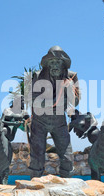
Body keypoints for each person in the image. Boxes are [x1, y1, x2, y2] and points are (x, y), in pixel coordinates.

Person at [28, 46, 80, 178]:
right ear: (47, 65)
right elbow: (33, 100)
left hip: (59, 122)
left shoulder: (71, 76)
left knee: (67, 157)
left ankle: (67, 189)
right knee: (37, 157)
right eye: (52, 62)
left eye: (58, 62)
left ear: (63, 64)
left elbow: (76, 102)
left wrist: (70, 91)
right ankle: (34, 189)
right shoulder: (38, 76)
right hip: (39, 122)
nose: (55, 65)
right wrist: (56, 101)